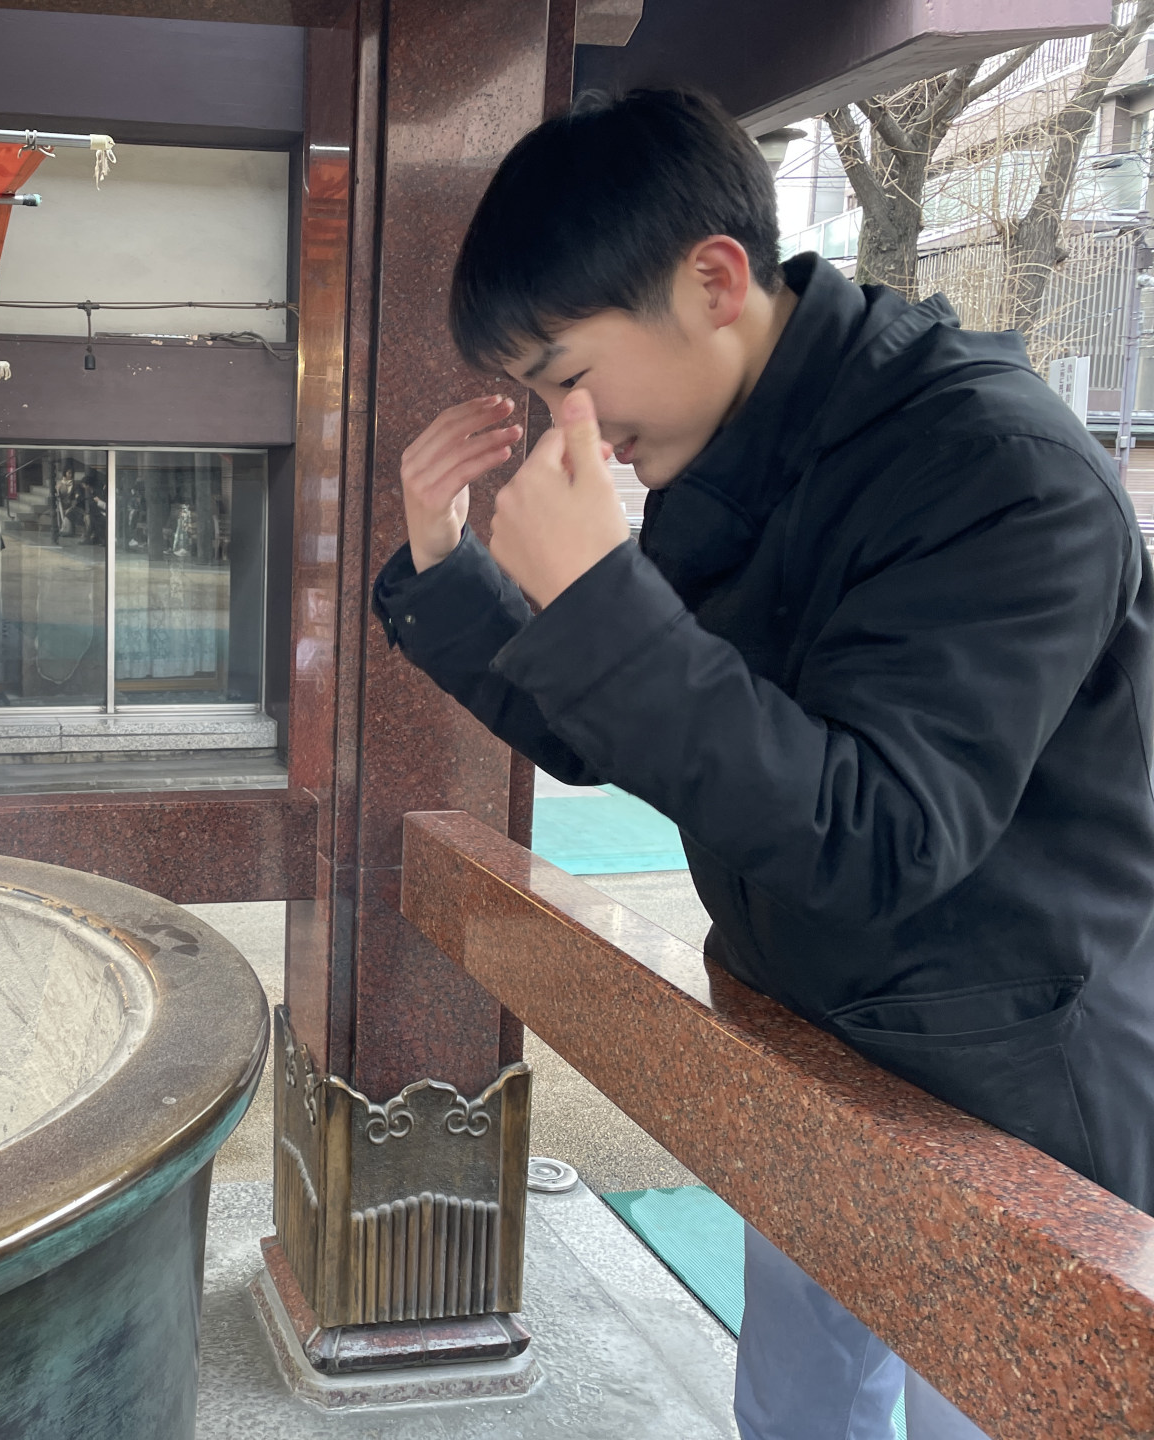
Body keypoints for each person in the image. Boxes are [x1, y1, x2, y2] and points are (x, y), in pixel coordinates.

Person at [373, 89, 1153, 1439]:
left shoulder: (999, 469)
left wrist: (600, 601)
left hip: (1008, 1100)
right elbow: (621, 727)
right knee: (796, 1408)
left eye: (567, 372)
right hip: (808, 1049)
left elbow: (882, 835)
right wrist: (453, 571)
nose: (566, 424)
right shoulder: (737, 449)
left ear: (714, 282)